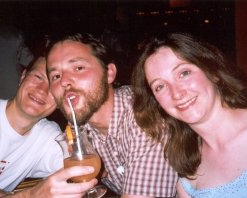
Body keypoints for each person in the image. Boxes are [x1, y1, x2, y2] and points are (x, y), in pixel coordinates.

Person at [46, 33, 178, 197]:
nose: (64, 81)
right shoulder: (78, 128)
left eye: (78, 68)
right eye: (56, 76)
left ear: (109, 73)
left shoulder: (144, 114)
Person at [132, 33, 247, 197]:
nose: (176, 93)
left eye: (184, 73)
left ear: (213, 72)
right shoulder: (188, 178)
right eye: (160, 86)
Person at [0, 56, 97, 197]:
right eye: (38, 77)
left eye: (53, 85)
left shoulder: (49, 136)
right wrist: (31, 194)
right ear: (23, 77)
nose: (42, 90)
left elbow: (80, 176)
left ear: (59, 100)